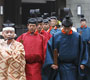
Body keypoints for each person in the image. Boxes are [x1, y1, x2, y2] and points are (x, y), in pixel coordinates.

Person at [43, 16, 88, 80]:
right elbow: (49, 50)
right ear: (62, 26)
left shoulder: (78, 37)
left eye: (68, 28)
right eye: (65, 28)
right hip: (60, 67)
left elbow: (84, 50)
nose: (66, 30)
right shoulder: (56, 36)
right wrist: (51, 63)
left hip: (74, 67)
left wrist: (83, 62)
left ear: (71, 26)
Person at [16, 15, 47, 80]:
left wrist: (45, 64)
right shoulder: (22, 37)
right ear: (27, 26)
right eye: (30, 26)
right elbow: (16, 49)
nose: (32, 27)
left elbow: (45, 52)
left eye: (33, 26)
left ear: (36, 26)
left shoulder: (42, 38)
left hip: (38, 66)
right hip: (25, 66)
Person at [77, 14, 90, 80]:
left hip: (88, 47)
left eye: (84, 21)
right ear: (80, 23)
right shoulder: (78, 29)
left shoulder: (89, 29)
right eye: (82, 21)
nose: (83, 22)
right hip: (81, 47)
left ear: (86, 22)